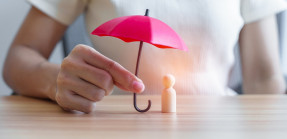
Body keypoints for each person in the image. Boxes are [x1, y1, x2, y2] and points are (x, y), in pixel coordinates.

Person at [3, 0, 287, 113]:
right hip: (111, 127)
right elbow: (20, 57)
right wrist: (55, 81)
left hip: (219, 127)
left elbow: (264, 79)